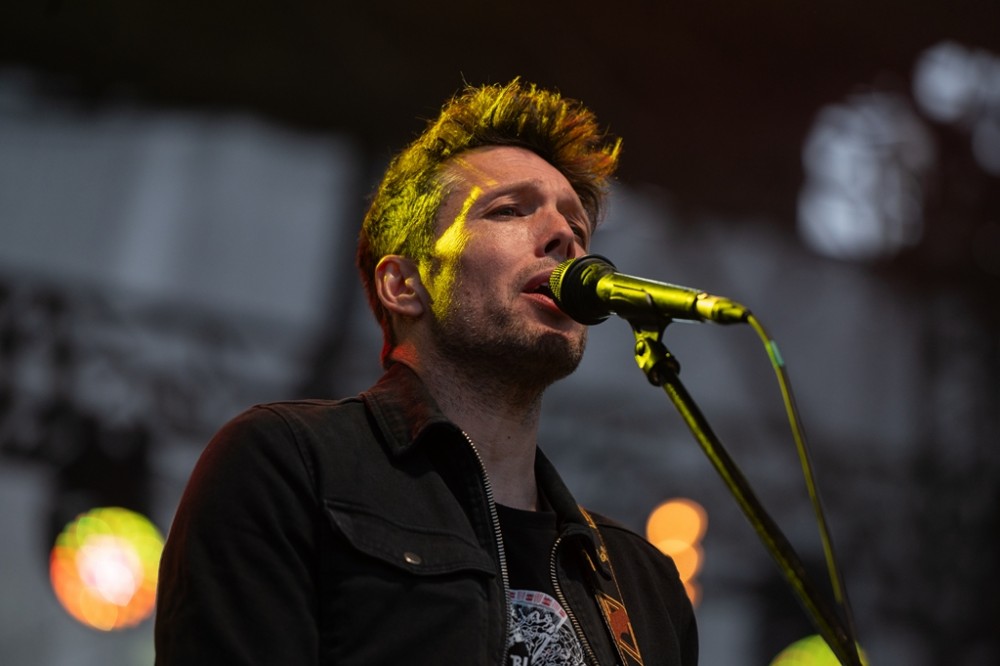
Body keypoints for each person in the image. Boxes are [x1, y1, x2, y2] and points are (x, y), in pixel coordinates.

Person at [155, 79, 698, 665]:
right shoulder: (290, 466)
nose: (565, 236)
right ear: (404, 285)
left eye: (577, 226)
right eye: (509, 210)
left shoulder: (643, 583)